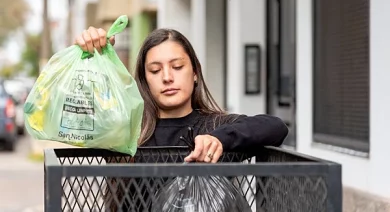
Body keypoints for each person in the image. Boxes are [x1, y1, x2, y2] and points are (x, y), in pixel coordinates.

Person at [75, 26, 289, 211]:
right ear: (145, 80)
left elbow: (276, 127)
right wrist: (96, 62)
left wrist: (220, 139)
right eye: (155, 70)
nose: (167, 77)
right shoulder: (129, 132)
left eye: (177, 67)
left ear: (195, 73)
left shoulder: (214, 126)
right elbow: (86, 115)